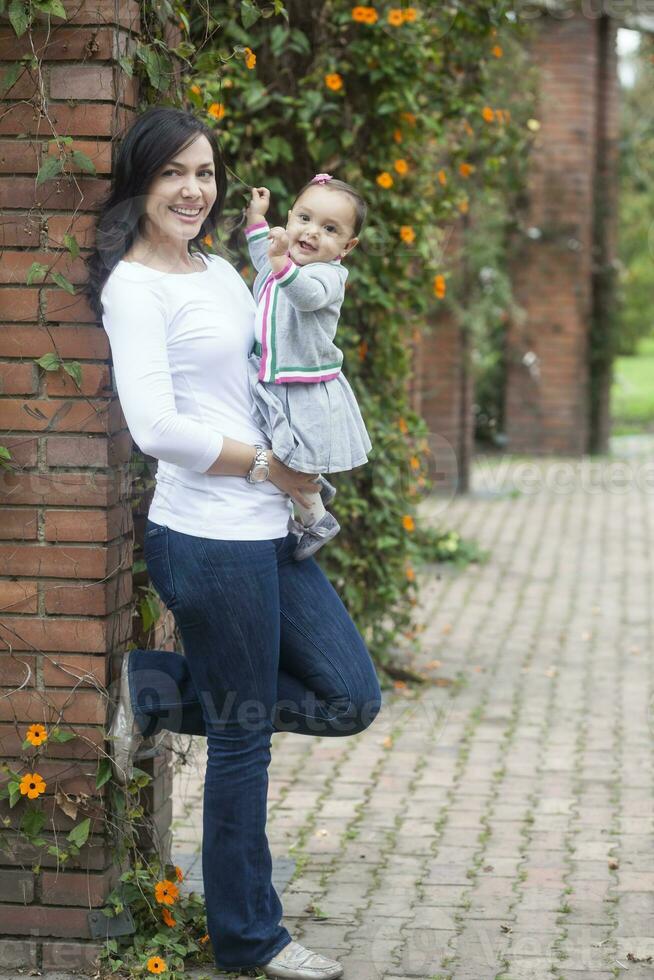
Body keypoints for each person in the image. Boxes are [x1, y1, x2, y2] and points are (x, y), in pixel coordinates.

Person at [83, 105, 383, 980]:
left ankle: (157, 691)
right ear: (142, 183)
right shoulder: (136, 288)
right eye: (174, 172)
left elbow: (277, 363)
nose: (193, 188)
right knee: (245, 734)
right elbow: (156, 428)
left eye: (205, 172)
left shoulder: (218, 268)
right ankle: (252, 940)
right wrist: (268, 471)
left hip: (272, 527)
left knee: (349, 696)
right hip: (209, 536)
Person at [244, 175, 371, 560]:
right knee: (284, 451)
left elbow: (306, 296)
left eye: (329, 229)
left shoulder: (329, 276)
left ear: (346, 247)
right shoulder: (283, 264)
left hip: (305, 383)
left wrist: (282, 260)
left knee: (289, 455)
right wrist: (255, 220)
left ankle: (317, 518)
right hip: (277, 376)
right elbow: (260, 254)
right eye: (304, 218)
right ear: (290, 217)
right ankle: (313, 490)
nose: (312, 232)